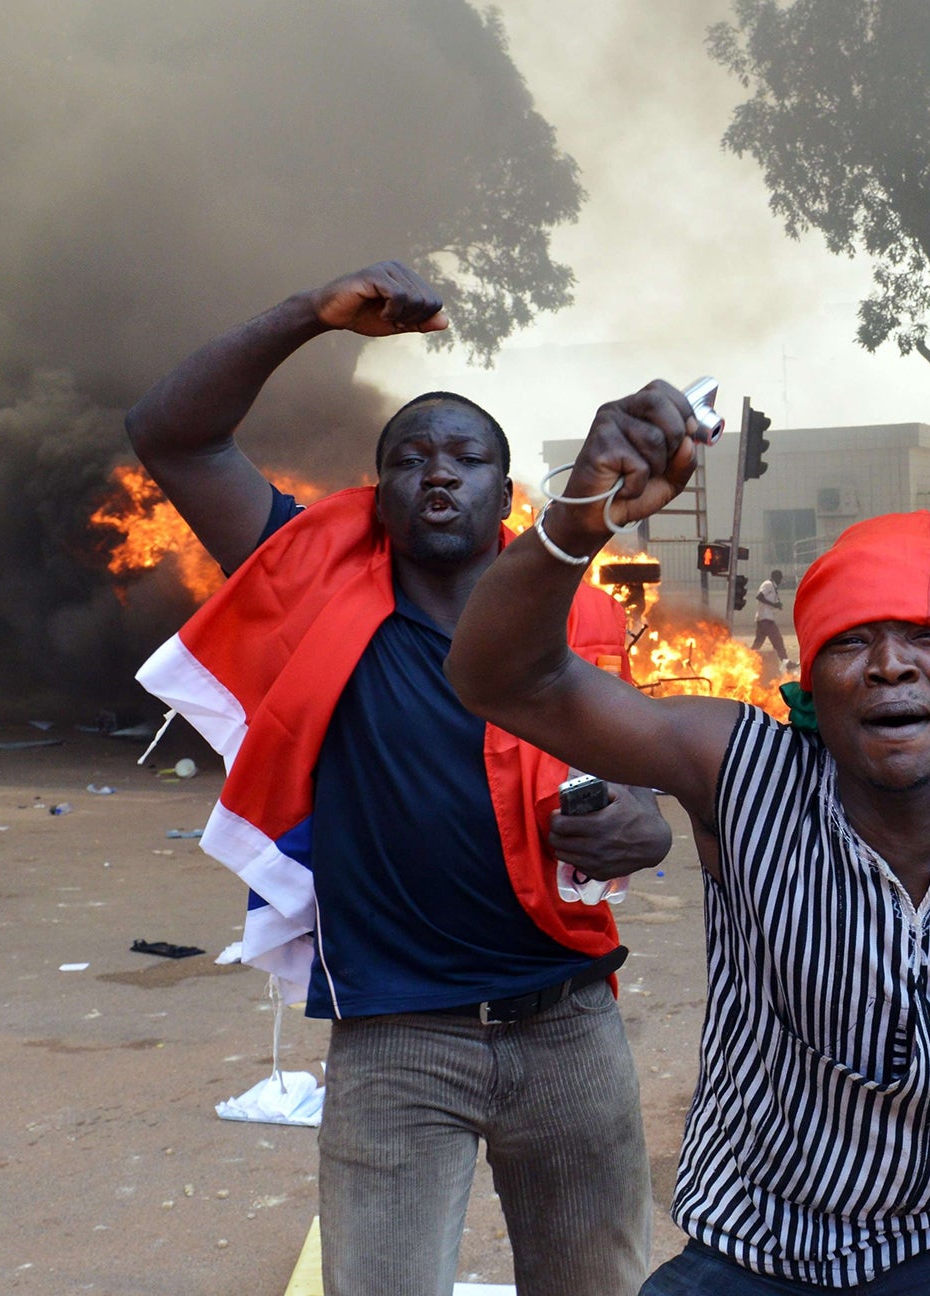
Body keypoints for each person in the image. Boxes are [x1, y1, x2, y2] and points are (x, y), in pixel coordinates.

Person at [446, 380, 930, 1296]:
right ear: (814, 679)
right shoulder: (740, 774)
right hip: (756, 1234)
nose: (892, 663)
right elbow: (501, 677)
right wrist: (580, 517)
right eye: (855, 641)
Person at [126, 262, 663, 1296]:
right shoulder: (309, 577)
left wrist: (645, 828)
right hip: (396, 1040)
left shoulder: (574, 624)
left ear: (505, 496)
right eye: (410, 458)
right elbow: (172, 434)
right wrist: (310, 315)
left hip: (565, 1025)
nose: (437, 473)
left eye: (465, 457)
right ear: (380, 495)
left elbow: (635, 791)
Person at [753, 567, 790, 666]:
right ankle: (786, 663)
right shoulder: (768, 584)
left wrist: (777, 605)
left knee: (757, 644)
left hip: (762, 619)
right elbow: (759, 596)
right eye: (780, 578)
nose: (781, 581)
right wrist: (774, 605)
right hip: (766, 619)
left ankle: (747, 661)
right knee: (778, 641)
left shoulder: (772, 587)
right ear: (777, 578)